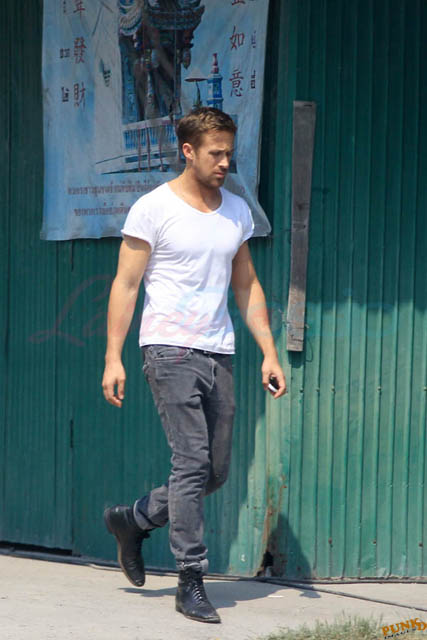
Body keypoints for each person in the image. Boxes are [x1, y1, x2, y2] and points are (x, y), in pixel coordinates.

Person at [102, 107, 287, 624]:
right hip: (168, 349)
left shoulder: (236, 212)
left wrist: (269, 351)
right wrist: (113, 356)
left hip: (218, 349)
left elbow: (246, 284)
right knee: (190, 463)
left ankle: (134, 519)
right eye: (215, 153)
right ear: (188, 151)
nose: (225, 162)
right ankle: (191, 578)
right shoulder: (153, 209)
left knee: (214, 472)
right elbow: (126, 285)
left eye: (230, 152)